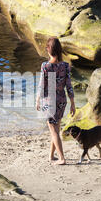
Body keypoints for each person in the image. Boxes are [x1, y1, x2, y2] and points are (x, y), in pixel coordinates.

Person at [36, 37, 75, 165]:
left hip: (50, 101)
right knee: (56, 129)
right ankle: (51, 155)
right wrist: (73, 103)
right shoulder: (65, 66)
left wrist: (37, 100)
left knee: (53, 131)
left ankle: (62, 158)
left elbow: (42, 86)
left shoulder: (46, 66)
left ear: (48, 49)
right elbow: (69, 86)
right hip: (62, 100)